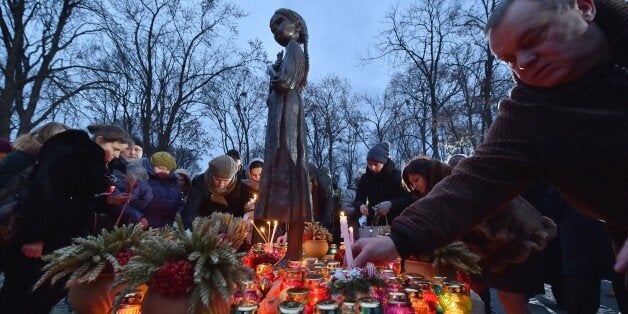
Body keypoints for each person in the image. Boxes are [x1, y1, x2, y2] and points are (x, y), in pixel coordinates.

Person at [352, 0, 628, 288]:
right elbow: (478, 179)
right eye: (509, 59)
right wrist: (400, 239)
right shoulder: (530, 114)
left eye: (533, 38)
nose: (523, 63)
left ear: (583, 7)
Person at [0, 124, 132, 313]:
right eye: (115, 149)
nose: (117, 155)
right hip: (42, 242)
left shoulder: (89, 162)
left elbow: (78, 201)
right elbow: (45, 196)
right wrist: (35, 237)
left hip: (57, 240)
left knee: (38, 298)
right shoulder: (72, 155)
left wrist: (106, 201)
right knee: (22, 297)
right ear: (101, 141)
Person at [402, 156, 553, 313]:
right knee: (471, 291)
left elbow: (464, 222)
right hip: (494, 248)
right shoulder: (443, 188)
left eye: (416, 179)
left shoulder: (454, 186)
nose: (415, 186)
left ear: (427, 173)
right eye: (411, 183)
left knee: (511, 300)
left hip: (517, 240)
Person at [256, 8, 312, 262]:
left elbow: (284, 82)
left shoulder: (294, 48)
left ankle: (294, 253)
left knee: (290, 172)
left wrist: (272, 69)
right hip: (285, 110)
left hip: (288, 113)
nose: (276, 29)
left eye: (279, 23)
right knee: (288, 174)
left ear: (296, 26)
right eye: (272, 28)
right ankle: (292, 252)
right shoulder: (290, 51)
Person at [112, 151, 182, 228]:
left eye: (167, 169)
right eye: (160, 168)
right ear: (152, 165)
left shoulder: (174, 185)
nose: (164, 171)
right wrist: (138, 218)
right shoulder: (139, 178)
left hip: (163, 232)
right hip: (138, 229)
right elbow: (120, 201)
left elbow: (178, 206)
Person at [181, 155, 250, 228]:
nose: (221, 184)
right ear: (212, 174)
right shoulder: (199, 184)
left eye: (226, 181)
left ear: (232, 177)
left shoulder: (240, 186)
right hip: (202, 227)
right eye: (217, 179)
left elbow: (243, 211)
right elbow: (189, 213)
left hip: (230, 229)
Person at [353, 142, 409, 227]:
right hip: (373, 222)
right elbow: (358, 199)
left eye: (376, 164)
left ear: (383, 162)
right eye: (369, 164)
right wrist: (361, 205)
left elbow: (408, 199)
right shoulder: (365, 178)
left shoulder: (397, 176)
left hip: (396, 222)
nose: (372, 167)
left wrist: (391, 204)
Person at [0, 122, 68, 189]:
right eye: (58, 138)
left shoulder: (63, 168)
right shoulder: (17, 159)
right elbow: (6, 192)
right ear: (44, 138)